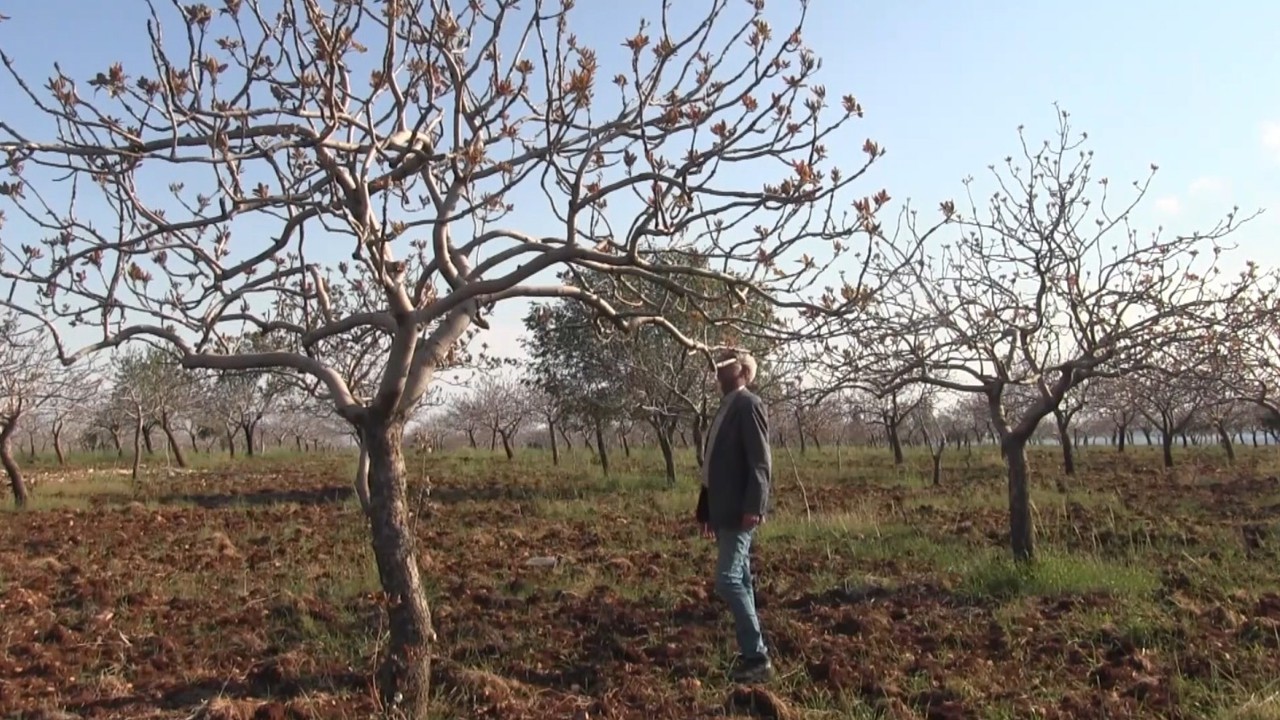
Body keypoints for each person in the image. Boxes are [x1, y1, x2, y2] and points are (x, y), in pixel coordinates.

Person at [695, 348, 774, 683]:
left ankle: (757, 657)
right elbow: (715, 463)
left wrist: (754, 507)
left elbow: (760, 462)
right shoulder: (725, 407)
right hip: (724, 508)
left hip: (741, 510)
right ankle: (751, 654)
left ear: (742, 370)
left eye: (726, 362)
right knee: (739, 579)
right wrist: (706, 507)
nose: (717, 367)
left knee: (727, 580)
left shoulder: (748, 405)